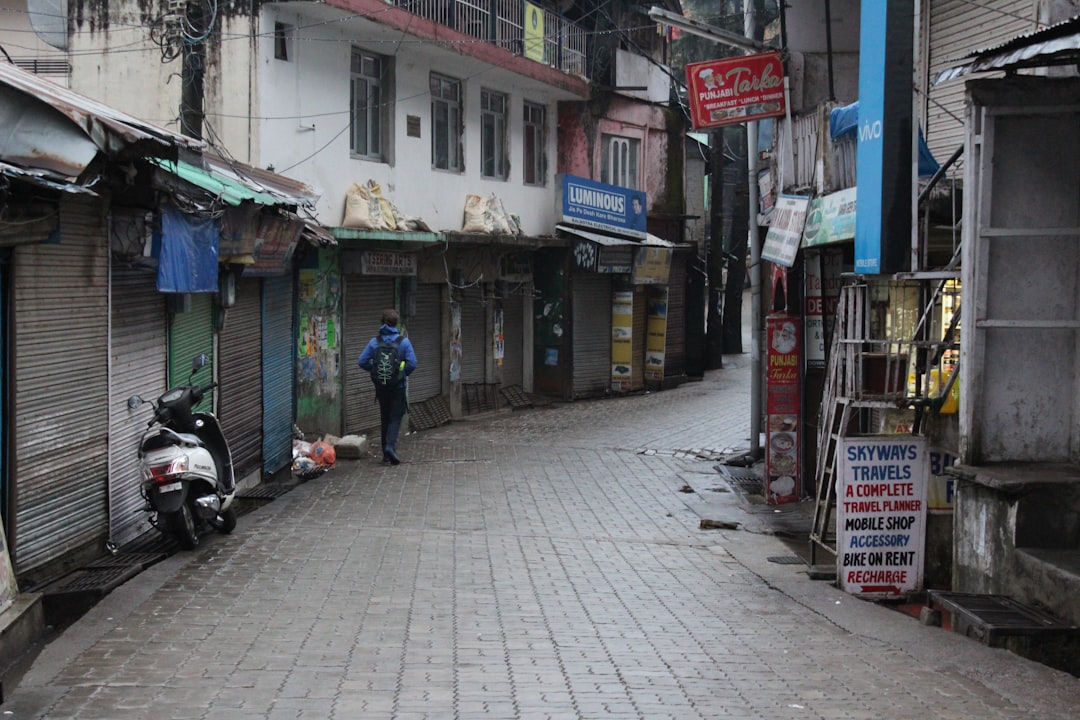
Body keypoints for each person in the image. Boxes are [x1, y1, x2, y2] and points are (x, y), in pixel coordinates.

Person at [358, 309, 418, 465]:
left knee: (385, 417)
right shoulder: (403, 342)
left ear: (382, 322)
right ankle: (390, 447)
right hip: (397, 387)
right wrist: (401, 374)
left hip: (381, 386)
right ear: (396, 323)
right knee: (395, 417)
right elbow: (412, 363)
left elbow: (362, 361)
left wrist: (375, 370)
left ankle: (386, 453)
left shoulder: (374, 342)